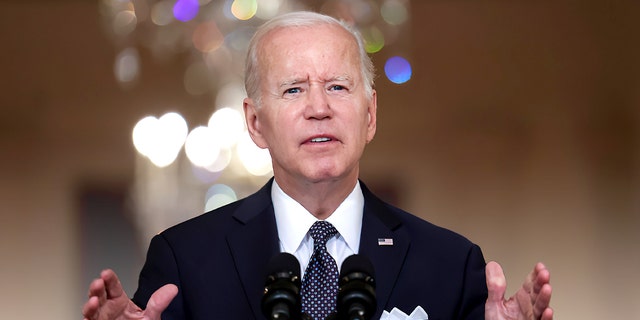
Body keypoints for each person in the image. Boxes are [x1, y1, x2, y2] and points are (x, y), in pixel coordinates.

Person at [82, 11, 553, 320]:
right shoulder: (184, 261)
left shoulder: (450, 264)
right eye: (293, 89)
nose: (318, 108)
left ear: (370, 115)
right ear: (255, 123)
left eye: (338, 87)